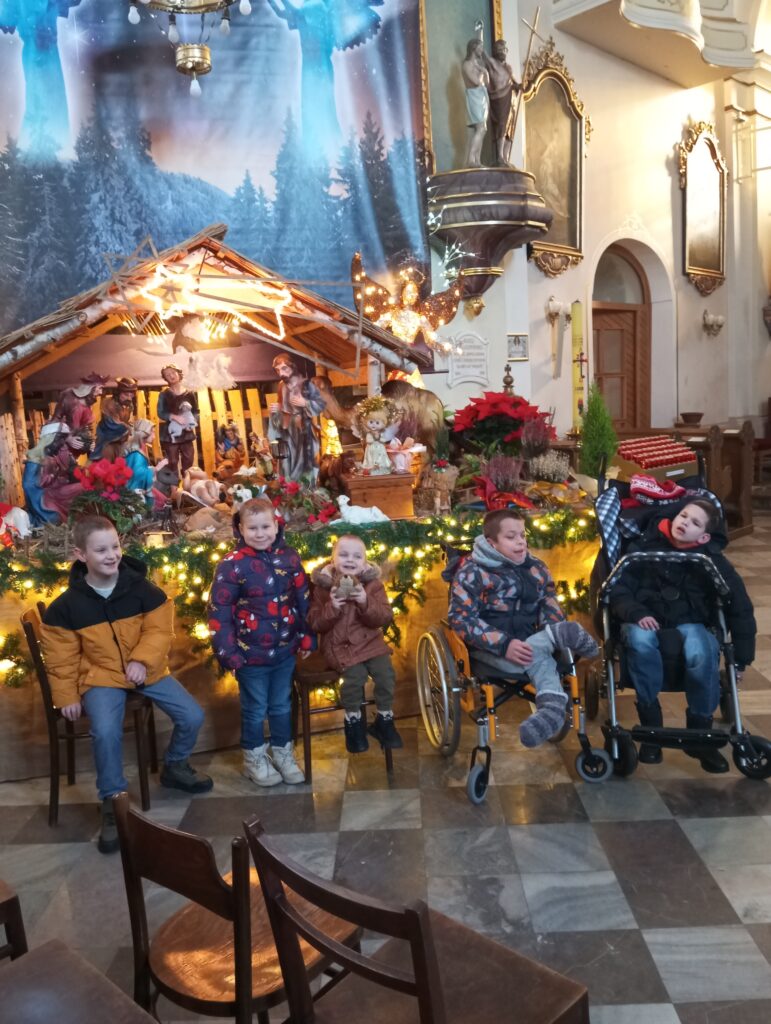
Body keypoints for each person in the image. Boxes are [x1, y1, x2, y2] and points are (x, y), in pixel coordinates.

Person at [40, 515, 213, 855]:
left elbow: (159, 630)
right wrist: (67, 695)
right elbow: (60, 658)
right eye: (101, 550)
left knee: (192, 715)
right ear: (80, 555)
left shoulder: (142, 588)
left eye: (115, 547)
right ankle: (112, 800)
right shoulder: (66, 607)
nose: (111, 555)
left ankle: (175, 765)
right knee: (105, 731)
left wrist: (142, 661)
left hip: (146, 670)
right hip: (101, 676)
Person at [609, 498, 756, 772]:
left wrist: (741, 659)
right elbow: (617, 588)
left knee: (702, 650)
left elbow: (740, 607)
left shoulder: (711, 560)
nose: (685, 522)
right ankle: (651, 729)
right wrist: (635, 612)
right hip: (643, 616)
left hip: (691, 621)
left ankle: (700, 734)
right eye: (684, 516)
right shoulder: (643, 548)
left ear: (703, 536)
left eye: (695, 523)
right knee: (640, 642)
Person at [448, 509, 598, 747]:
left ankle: (551, 702)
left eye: (522, 535)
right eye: (511, 537)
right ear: (492, 542)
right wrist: (504, 644)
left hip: (530, 639)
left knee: (538, 651)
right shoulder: (472, 572)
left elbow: (548, 601)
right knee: (538, 655)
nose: (520, 542)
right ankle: (553, 700)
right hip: (489, 648)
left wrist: (550, 627)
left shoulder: (536, 567)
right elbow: (461, 619)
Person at [208, 497, 313, 786]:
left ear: (276, 526)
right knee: (255, 709)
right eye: (252, 528)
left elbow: (303, 599)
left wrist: (306, 636)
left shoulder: (289, 558)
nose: (260, 533)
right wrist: (228, 653)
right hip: (249, 655)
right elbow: (219, 611)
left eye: (265, 526)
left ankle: (283, 753)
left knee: (281, 705)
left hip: (285, 651)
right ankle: (254, 759)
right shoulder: (231, 565)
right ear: (240, 529)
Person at [307, 534, 402, 753]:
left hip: (370, 642)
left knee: (386, 673)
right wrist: (332, 606)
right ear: (333, 559)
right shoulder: (323, 587)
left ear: (365, 562)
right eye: (343, 555)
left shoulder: (373, 585)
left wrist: (365, 602)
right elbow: (316, 623)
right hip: (340, 645)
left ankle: (385, 719)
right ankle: (353, 721)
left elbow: (384, 617)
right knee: (354, 677)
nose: (350, 559)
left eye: (357, 556)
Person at [268, 353, 326, 482]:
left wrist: (305, 403)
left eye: (284, 368)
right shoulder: (281, 385)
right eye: (277, 370)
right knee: (287, 461)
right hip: (287, 428)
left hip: (302, 429)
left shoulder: (306, 384)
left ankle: (305, 487)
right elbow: (281, 403)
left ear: (292, 367)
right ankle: (289, 486)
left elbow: (320, 404)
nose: (281, 373)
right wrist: (277, 408)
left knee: (304, 460)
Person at [480, 38, 520, 167]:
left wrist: (518, 86)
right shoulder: (492, 63)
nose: (502, 52)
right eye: (500, 49)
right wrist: (480, 32)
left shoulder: (508, 67)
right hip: (499, 98)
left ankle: (506, 157)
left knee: (510, 128)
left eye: (504, 49)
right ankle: (500, 156)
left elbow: (513, 81)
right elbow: (483, 53)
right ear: (495, 51)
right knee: (501, 125)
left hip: (511, 98)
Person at [157, 364, 199, 476]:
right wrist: (174, 417)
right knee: (172, 460)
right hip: (171, 433)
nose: (171, 376)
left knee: (188, 459)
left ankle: (187, 481)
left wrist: (192, 423)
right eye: (167, 375)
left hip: (186, 432)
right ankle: (174, 483)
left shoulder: (189, 393)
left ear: (179, 373)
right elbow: (160, 413)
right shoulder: (164, 394)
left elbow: (195, 411)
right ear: (165, 378)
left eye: (173, 373)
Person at [462, 38, 490, 168]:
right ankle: (470, 160)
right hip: (474, 96)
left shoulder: (477, 64)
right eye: (480, 47)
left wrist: (485, 72)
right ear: (474, 48)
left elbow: (487, 84)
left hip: (482, 96)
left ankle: (477, 161)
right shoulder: (467, 64)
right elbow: (476, 82)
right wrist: (482, 72)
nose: (482, 50)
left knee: (483, 129)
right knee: (480, 128)